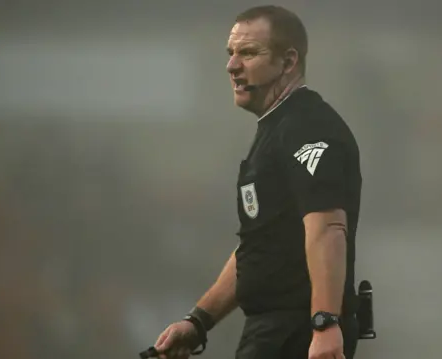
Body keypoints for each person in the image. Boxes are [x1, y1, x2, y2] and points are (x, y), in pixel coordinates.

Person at [150, 5, 362, 359]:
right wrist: (198, 321)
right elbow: (260, 247)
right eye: (231, 53)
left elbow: (327, 228)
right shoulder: (277, 130)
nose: (232, 65)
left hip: (295, 332)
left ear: (288, 61)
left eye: (248, 53)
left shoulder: (306, 126)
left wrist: (324, 324)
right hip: (274, 330)